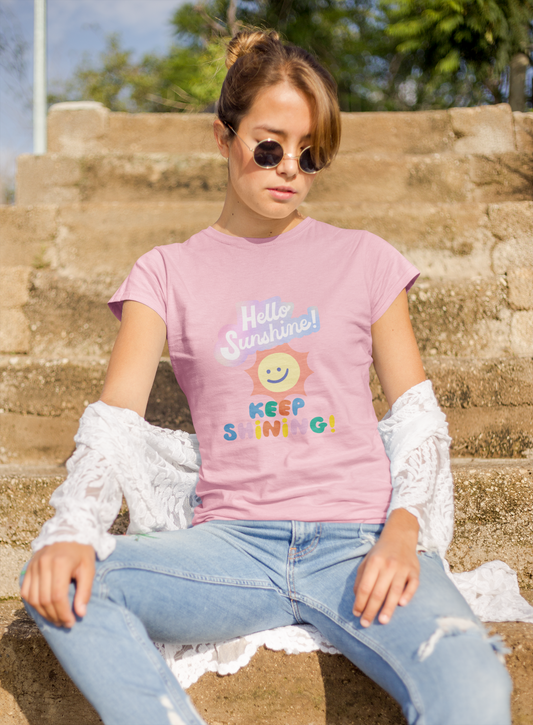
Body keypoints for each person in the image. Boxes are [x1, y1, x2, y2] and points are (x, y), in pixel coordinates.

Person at [21, 29, 512, 725]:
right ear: (223, 137)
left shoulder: (366, 260)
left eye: (311, 154)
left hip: (359, 541)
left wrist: (404, 531)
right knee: (58, 578)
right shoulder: (164, 274)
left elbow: (417, 416)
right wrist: (72, 526)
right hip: (231, 548)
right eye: (270, 145)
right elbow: (114, 423)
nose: (289, 169)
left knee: (475, 687)